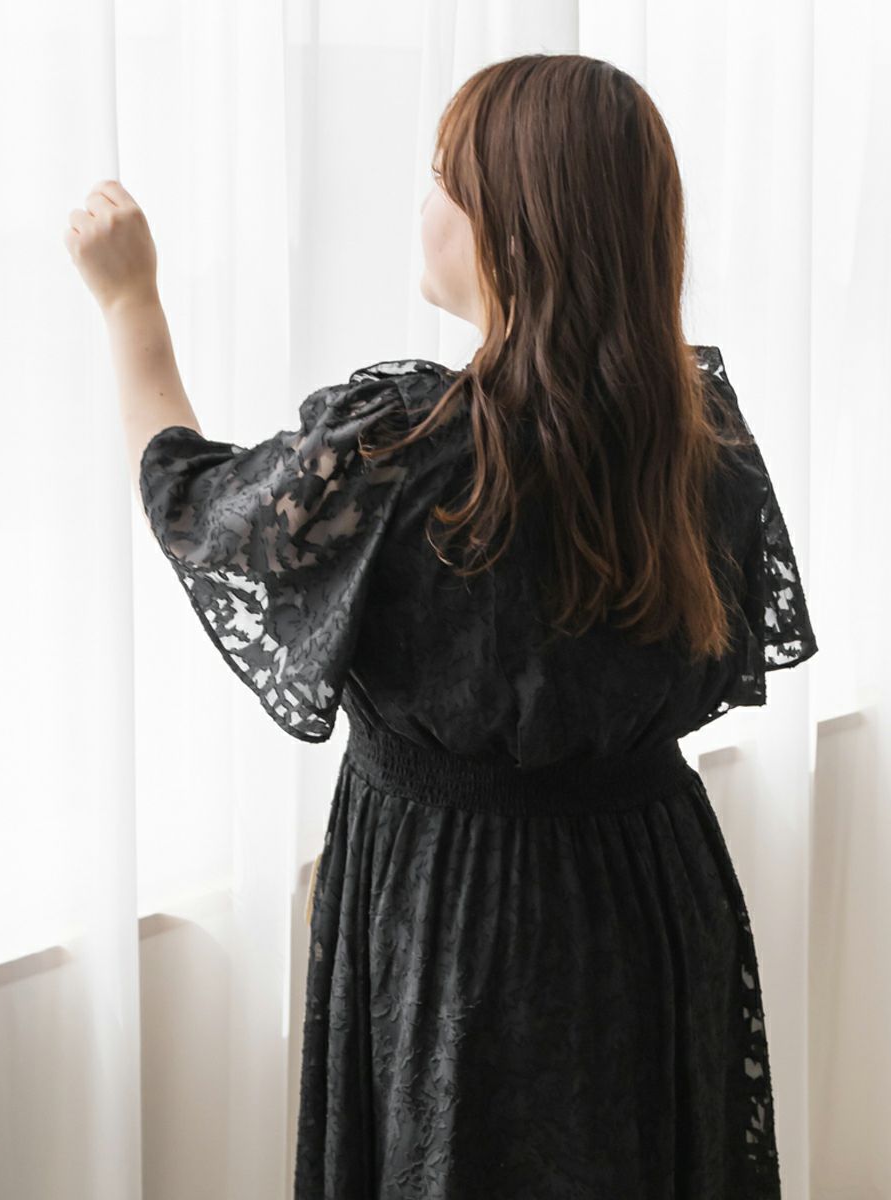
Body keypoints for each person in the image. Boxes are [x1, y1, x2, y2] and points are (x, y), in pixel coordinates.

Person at [67, 51, 818, 1200]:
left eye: (440, 180)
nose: (420, 204)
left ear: (512, 229)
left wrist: (130, 302)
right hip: (652, 888)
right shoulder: (689, 432)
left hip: (460, 913)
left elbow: (199, 510)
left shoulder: (407, 453)